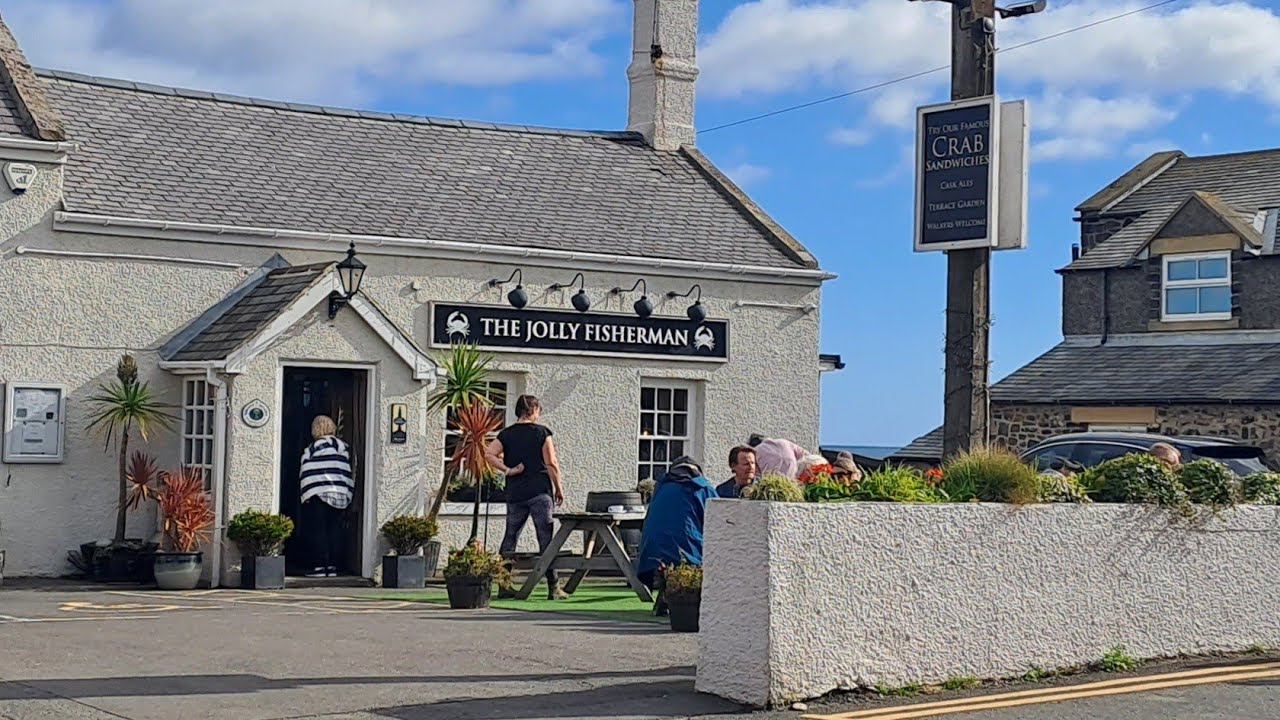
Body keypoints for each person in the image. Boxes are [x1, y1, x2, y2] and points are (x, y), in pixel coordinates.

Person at [485, 394, 568, 600]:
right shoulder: (542, 433)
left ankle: (504, 585)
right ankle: (553, 586)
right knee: (545, 538)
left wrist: (508, 470)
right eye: (538, 410)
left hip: (515, 493)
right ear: (533, 411)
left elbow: (489, 454)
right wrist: (558, 488)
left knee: (510, 537)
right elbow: (551, 463)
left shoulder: (506, 434)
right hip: (539, 492)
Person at [636, 456, 718, 613]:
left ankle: (665, 595)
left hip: (652, 550)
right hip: (687, 550)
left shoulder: (661, 488)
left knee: (670, 548)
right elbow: (719, 521)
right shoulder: (703, 488)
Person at [299, 415, 353, 578]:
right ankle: (333, 566)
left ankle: (319, 567)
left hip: (319, 493)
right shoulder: (343, 449)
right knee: (334, 530)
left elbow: (307, 469)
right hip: (339, 493)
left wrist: (307, 491)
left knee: (318, 531)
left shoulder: (313, 448)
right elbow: (344, 470)